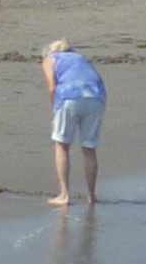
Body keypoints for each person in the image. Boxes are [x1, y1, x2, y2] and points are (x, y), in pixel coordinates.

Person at [41, 39, 106, 206]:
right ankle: (91, 196)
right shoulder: (80, 58)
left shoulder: (50, 59)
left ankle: (64, 194)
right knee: (89, 148)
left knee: (62, 145)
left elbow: (52, 87)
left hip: (70, 96)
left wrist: (55, 113)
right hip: (96, 97)